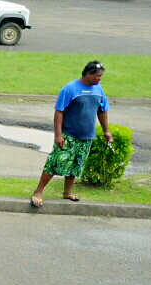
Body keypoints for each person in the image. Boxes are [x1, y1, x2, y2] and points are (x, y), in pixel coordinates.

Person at [30, 61, 113, 208]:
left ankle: (67, 192)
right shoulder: (70, 89)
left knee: (76, 165)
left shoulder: (98, 90)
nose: (100, 79)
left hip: (87, 136)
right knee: (55, 163)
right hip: (68, 135)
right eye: (98, 76)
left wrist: (107, 131)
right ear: (89, 74)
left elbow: (102, 111)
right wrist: (58, 135)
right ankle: (38, 191)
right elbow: (59, 112)